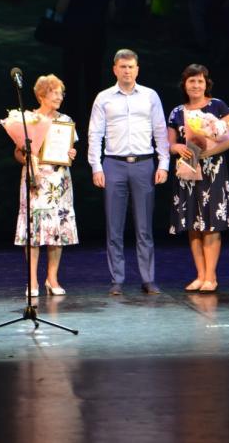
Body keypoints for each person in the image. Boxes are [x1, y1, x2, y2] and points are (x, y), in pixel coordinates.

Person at [88, 49, 170, 295]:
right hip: (114, 164)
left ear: (137, 69)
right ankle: (117, 280)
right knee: (114, 226)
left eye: (131, 67)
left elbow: (160, 130)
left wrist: (163, 163)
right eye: (122, 67)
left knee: (144, 227)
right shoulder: (104, 98)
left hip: (144, 163)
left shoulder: (150, 96)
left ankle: (148, 279)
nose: (127, 71)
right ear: (115, 69)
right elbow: (95, 134)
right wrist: (96, 166)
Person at [167, 64, 229, 293]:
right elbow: (169, 144)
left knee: (211, 224)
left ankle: (211, 276)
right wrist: (177, 147)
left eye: (200, 81)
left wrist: (210, 151)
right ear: (184, 84)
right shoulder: (177, 112)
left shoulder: (217, 105)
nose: (196, 85)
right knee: (193, 225)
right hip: (188, 170)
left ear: (206, 83)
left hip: (213, 171)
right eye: (191, 81)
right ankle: (200, 275)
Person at [14, 75, 79, 296]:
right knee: (33, 228)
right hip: (36, 179)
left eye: (61, 93)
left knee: (57, 228)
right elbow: (17, 153)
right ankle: (32, 280)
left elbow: (69, 151)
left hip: (59, 180)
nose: (60, 97)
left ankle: (52, 278)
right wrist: (28, 157)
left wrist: (71, 153)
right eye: (55, 93)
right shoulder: (28, 120)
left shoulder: (66, 120)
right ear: (42, 95)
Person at [55, 0, 114, 134]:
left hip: (73, 35)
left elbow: (60, 8)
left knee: (71, 78)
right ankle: (93, 118)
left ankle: (71, 117)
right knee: (93, 78)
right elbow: (111, 12)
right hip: (96, 35)